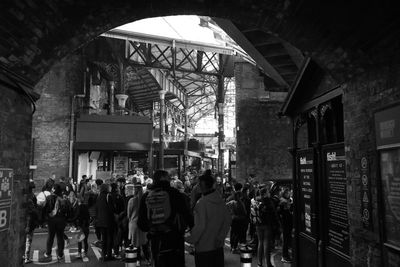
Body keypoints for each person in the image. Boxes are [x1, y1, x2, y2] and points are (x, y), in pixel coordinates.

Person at [138, 170, 194, 267]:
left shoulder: (147, 196)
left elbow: (141, 223)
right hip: (174, 238)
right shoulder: (175, 194)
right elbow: (187, 215)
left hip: (155, 239)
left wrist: (151, 228)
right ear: (165, 179)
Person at [185, 172, 231, 267]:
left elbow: (200, 227)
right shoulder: (220, 201)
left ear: (202, 185)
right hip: (218, 246)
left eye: (199, 184)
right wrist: (221, 238)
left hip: (204, 248)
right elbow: (227, 221)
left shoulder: (201, 204)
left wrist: (189, 239)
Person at [252, 187, 280, 267]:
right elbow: (273, 214)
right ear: (264, 194)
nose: (269, 193)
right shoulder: (268, 201)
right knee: (266, 243)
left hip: (258, 223)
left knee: (260, 243)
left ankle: (259, 263)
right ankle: (268, 264)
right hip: (267, 224)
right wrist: (278, 225)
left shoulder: (257, 200)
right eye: (268, 192)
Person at [43, 183, 71, 261]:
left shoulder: (48, 198)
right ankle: (60, 254)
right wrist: (66, 219)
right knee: (60, 237)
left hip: (51, 220)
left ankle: (48, 253)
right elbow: (68, 210)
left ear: (53, 190)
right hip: (61, 220)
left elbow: (45, 209)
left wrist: (45, 220)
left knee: (50, 236)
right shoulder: (63, 199)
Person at [127, 183, 150, 265]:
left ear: (134, 190)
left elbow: (128, 214)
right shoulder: (145, 200)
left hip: (134, 224)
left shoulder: (132, 201)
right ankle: (148, 259)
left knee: (136, 244)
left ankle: (138, 260)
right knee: (144, 243)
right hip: (143, 224)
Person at [95, 183, 116, 261]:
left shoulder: (99, 196)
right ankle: (109, 255)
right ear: (107, 188)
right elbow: (112, 209)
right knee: (110, 238)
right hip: (108, 221)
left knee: (104, 238)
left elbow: (96, 208)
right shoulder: (108, 196)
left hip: (100, 221)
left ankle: (103, 255)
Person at [226, 182, 248, 253]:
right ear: (241, 188)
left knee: (233, 232)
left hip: (232, 217)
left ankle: (232, 246)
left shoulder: (230, 198)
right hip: (241, 217)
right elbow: (245, 208)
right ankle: (236, 247)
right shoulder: (243, 197)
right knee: (239, 232)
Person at [68, 191, 90, 260]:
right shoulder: (86, 206)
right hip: (86, 225)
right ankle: (85, 253)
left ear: (79, 199)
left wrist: (69, 220)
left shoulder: (79, 207)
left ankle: (79, 253)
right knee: (85, 240)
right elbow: (88, 216)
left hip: (81, 226)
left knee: (79, 240)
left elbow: (76, 216)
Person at [23, 180, 39, 264]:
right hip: (29, 223)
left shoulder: (23, 196)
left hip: (23, 222)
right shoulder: (31, 197)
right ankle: (26, 257)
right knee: (28, 240)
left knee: (24, 240)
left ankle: (23, 256)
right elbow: (33, 212)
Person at [279, 188, 293, 263]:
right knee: (286, 240)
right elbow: (287, 212)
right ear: (285, 194)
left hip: (285, 223)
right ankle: (284, 256)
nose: (289, 194)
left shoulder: (284, 201)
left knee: (286, 239)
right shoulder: (283, 202)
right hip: (285, 224)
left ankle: (286, 254)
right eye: (288, 193)